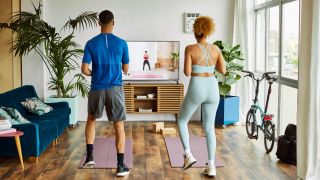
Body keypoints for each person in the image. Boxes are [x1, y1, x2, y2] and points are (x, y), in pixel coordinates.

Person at [81, 10, 130, 177]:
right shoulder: (122, 43)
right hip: (115, 89)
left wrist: (94, 73)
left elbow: (84, 69)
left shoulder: (90, 43)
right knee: (118, 125)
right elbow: (125, 69)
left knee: (91, 120)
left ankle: (89, 158)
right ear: (114, 23)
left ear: (98, 23)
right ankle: (120, 166)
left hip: (97, 88)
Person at [177, 16, 226, 177]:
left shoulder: (190, 48)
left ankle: (188, 155)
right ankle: (211, 166)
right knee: (209, 128)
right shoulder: (216, 49)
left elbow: (187, 72)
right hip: (212, 87)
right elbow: (223, 71)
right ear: (209, 30)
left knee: (182, 120)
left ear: (195, 30)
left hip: (197, 86)